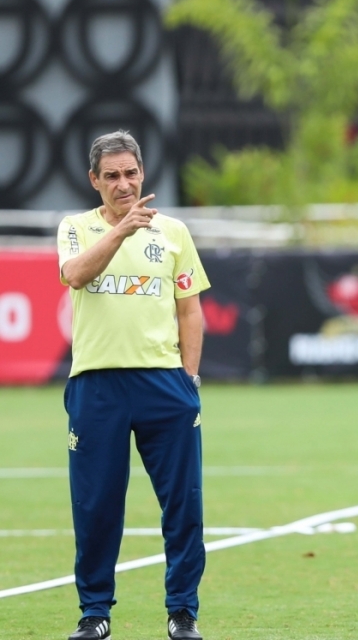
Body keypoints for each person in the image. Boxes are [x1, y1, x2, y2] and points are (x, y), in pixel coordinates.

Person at [56, 131, 210, 640]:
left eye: (131, 173)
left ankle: (182, 613)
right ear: (94, 180)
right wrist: (121, 230)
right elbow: (76, 274)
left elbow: (190, 310)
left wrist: (189, 380)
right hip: (96, 386)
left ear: (142, 173)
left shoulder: (173, 232)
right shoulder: (76, 229)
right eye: (112, 175)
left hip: (164, 386)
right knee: (97, 505)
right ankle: (95, 615)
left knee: (184, 504)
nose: (124, 183)